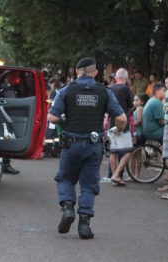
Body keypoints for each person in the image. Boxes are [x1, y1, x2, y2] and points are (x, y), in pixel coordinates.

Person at [48, 57, 126, 239]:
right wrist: (118, 131)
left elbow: (52, 118)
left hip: (71, 144)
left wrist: (66, 120)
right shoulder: (104, 92)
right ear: (96, 72)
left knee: (66, 179)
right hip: (93, 146)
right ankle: (84, 225)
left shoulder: (66, 90)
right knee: (88, 186)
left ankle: (68, 208)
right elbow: (121, 119)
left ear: (76, 71)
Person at [107, 68, 134, 186]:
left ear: (116, 78)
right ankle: (116, 175)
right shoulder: (126, 89)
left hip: (111, 123)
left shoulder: (109, 88)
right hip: (122, 124)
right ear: (126, 77)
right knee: (128, 150)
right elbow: (130, 107)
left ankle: (115, 178)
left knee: (113, 151)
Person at [128, 93, 149, 181]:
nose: (135, 102)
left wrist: (131, 126)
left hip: (138, 134)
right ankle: (136, 175)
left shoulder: (139, 109)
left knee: (133, 155)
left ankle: (133, 175)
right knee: (137, 155)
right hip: (139, 134)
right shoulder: (140, 108)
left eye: (137, 100)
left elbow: (139, 120)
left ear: (142, 102)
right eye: (134, 100)